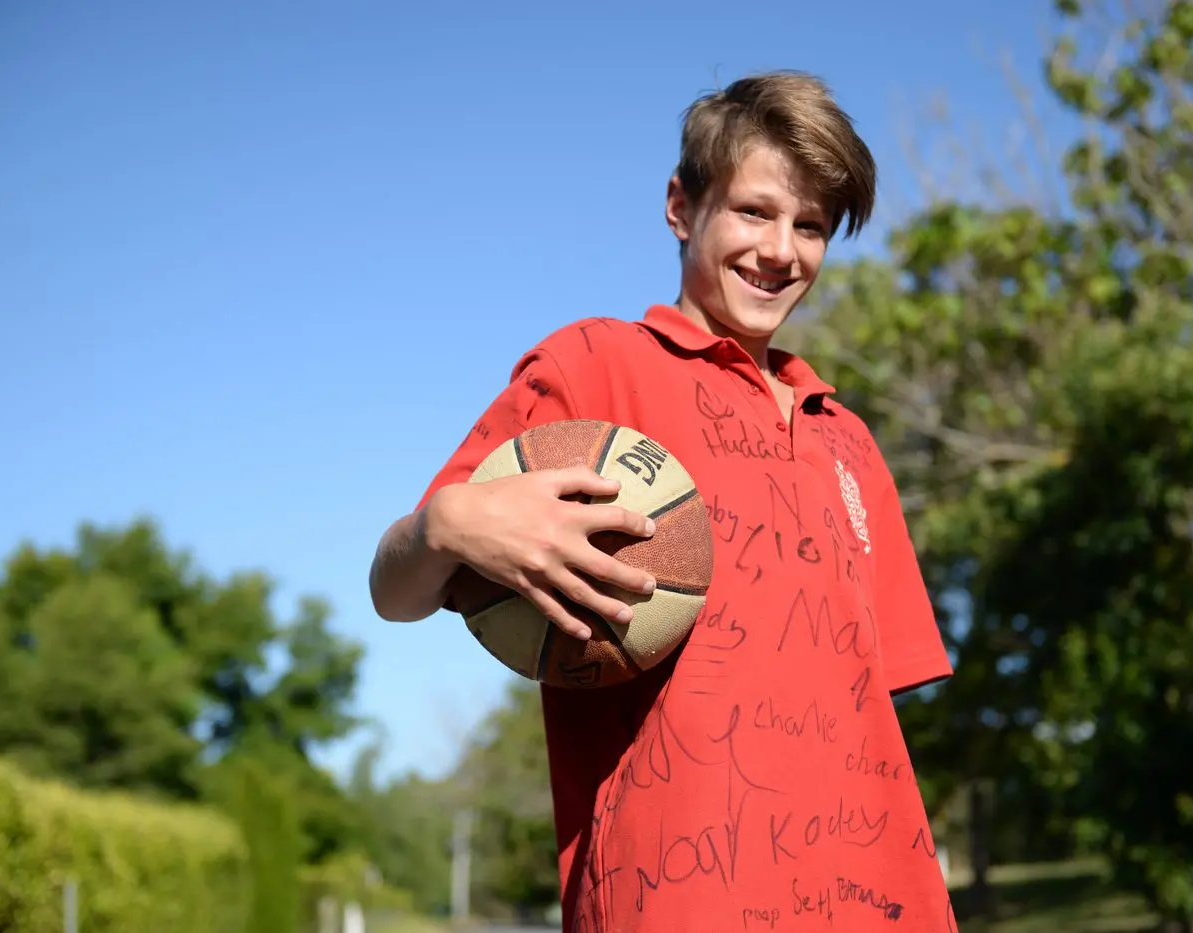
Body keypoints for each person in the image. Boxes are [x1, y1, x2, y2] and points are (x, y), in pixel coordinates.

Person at [369, 70, 957, 932]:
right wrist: (446, 523)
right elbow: (396, 589)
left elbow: (875, 717)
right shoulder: (592, 366)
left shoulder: (848, 440)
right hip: (676, 895)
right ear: (681, 207)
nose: (781, 251)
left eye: (812, 227)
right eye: (754, 212)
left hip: (878, 896)